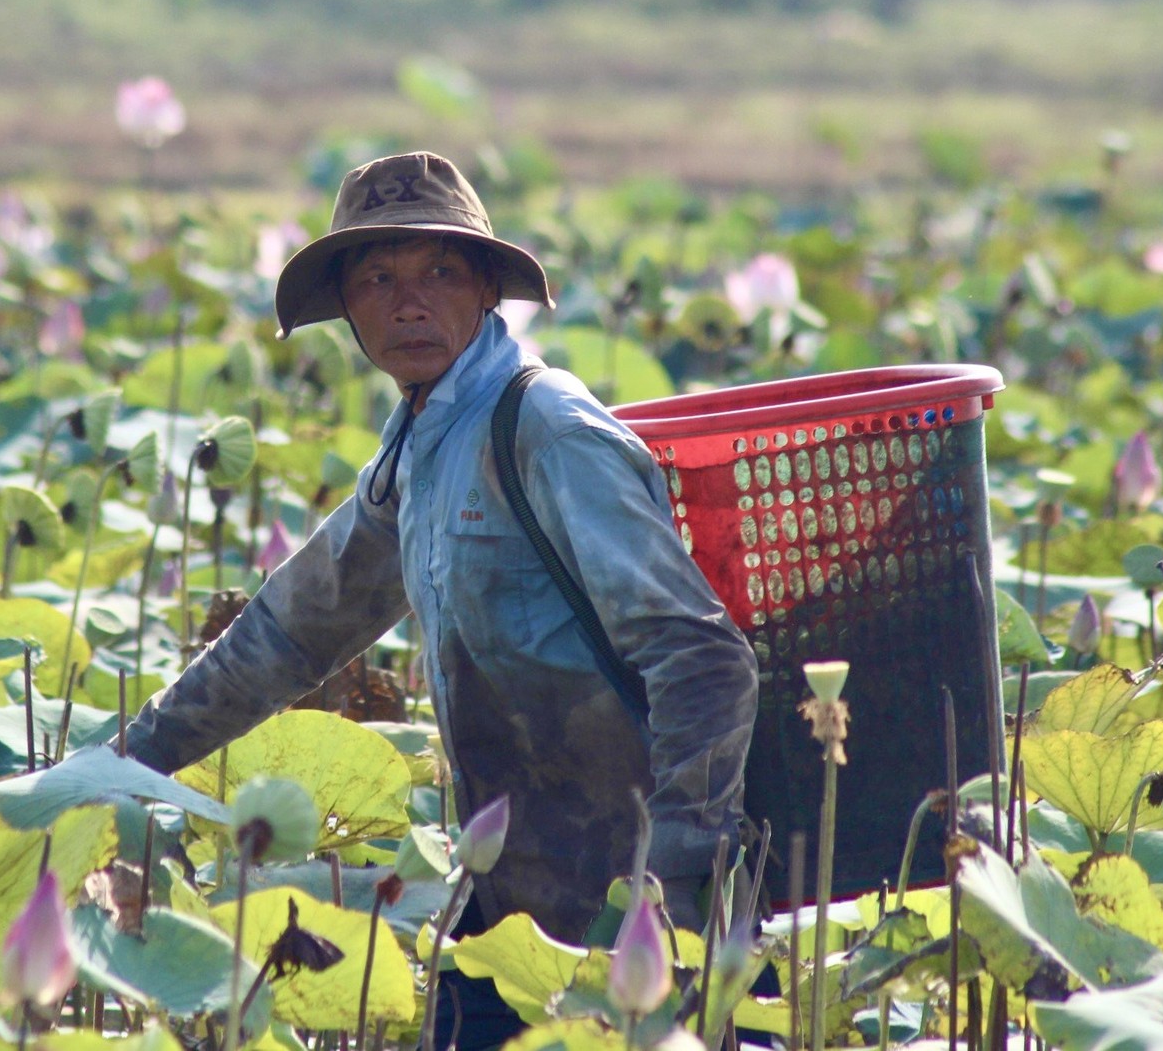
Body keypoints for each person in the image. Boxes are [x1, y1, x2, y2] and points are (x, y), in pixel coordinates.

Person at [123, 151, 757, 1048]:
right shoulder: (415, 450)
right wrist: (122, 761)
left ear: (487, 290)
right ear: (346, 306)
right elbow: (283, 636)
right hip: (506, 908)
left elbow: (701, 655)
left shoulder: (544, 428)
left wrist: (678, 880)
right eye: (377, 277)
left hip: (630, 906)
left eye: (438, 272)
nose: (407, 302)